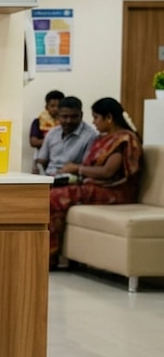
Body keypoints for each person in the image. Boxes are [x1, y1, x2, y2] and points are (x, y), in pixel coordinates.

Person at [49, 97, 143, 265]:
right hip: (93, 185)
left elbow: (108, 172)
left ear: (109, 118)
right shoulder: (103, 138)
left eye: (96, 118)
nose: (93, 122)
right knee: (47, 193)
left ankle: (50, 256)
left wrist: (77, 169)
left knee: (54, 198)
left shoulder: (124, 139)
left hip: (115, 191)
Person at [34, 96, 97, 176]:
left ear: (81, 115)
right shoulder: (52, 133)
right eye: (65, 116)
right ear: (58, 116)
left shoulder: (91, 136)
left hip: (71, 181)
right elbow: (41, 160)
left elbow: (87, 167)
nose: (69, 121)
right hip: (48, 178)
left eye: (74, 117)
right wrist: (38, 167)